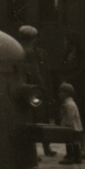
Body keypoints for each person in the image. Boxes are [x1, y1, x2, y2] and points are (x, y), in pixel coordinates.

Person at [18, 25, 56, 156]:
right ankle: (40, 150)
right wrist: (44, 89)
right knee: (38, 119)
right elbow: (36, 73)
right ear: (33, 38)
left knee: (34, 119)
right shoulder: (30, 52)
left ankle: (42, 149)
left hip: (26, 89)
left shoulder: (22, 50)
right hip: (34, 90)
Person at [56, 82, 83, 164]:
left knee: (69, 141)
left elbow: (70, 116)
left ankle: (70, 157)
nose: (59, 94)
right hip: (75, 127)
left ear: (66, 93)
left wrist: (68, 125)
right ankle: (77, 157)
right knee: (75, 142)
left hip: (71, 127)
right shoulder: (70, 103)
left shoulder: (69, 105)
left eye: (60, 92)